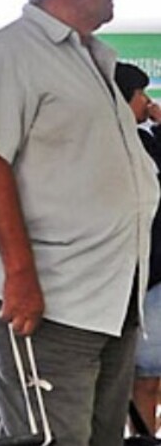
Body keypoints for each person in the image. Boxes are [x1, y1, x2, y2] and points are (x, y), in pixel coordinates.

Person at [0, 0, 158, 444]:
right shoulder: (8, 56)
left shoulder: (91, 60)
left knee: (100, 436)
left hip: (104, 297)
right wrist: (19, 277)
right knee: (53, 438)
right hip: (49, 300)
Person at [115, 62, 161, 435]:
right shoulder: (105, 143)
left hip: (151, 273)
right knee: (144, 377)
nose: (147, 101)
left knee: (149, 377)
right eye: (141, 94)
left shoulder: (144, 141)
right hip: (136, 279)